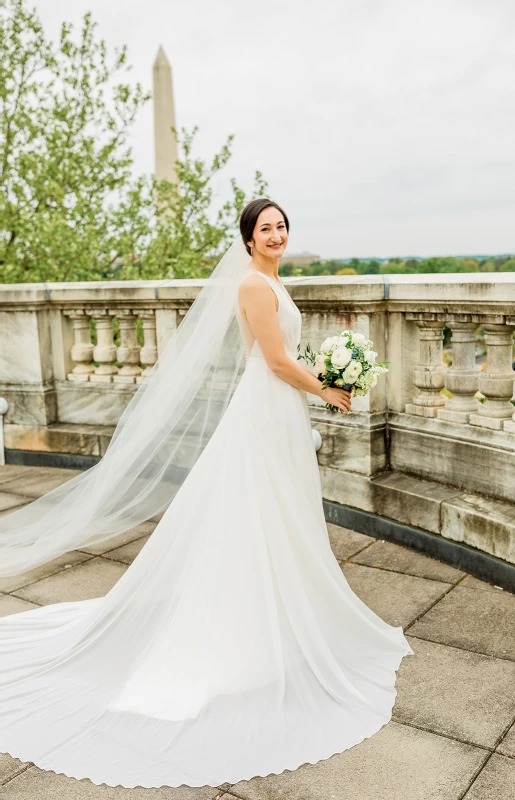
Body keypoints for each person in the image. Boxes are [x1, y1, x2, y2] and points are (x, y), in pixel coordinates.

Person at [0, 199, 413, 789]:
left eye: (281, 226)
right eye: (265, 228)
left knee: (280, 517)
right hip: (266, 411)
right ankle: (245, 635)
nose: (276, 234)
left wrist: (324, 380)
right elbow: (273, 360)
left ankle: (284, 622)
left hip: (280, 412)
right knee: (258, 515)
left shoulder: (272, 281)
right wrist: (329, 388)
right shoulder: (253, 286)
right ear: (247, 240)